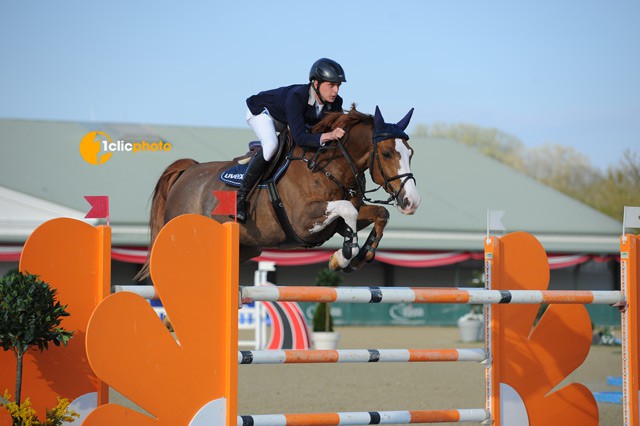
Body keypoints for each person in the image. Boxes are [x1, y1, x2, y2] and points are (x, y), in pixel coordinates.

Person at [237, 58, 347, 223]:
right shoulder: (297, 96)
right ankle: (241, 197)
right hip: (262, 113)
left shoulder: (336, 102)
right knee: (271, 145)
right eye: (331, 85)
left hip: (287, 120)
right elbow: (301, 137)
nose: (336, 91)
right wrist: (329, 135)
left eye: (338, 85)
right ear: (316, 84)